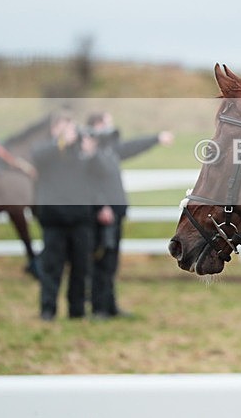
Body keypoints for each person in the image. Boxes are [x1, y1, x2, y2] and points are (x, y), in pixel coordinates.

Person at [85, 111, 174, 319]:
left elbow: (133, 146)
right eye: (106, 124)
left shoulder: (109, 149)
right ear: (96, 125)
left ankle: (110, 305)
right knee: (101, 260)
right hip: (102, 215)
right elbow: (88, 183)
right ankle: (98, 308)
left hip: (115, 214)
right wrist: (101, 206)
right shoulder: (90, 152)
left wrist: (156, 139)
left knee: (111, 262)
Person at [32, 111, 106, 320]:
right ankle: (48, 309)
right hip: (54, 220)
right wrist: (61, 141)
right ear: (55, 129)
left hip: (81, 220)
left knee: (81, 268)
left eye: (71, 129)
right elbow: (38, 157)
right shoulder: (47, 150)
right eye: (65, 129)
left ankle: (77, 310)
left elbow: (100, 174)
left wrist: (92, 153)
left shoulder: (82, 153)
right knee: (51, 267)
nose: (71, 134)